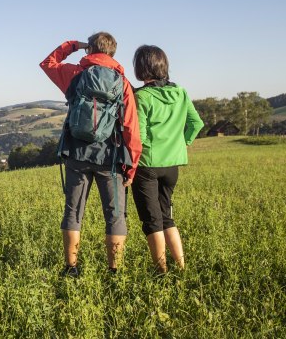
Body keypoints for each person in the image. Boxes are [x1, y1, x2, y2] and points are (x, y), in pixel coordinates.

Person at [40, 33, 142, 277]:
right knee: (115, 215)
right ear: (113, 53)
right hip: (111, 157)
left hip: (76, 153)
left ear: (90, 50)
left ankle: (71, 268)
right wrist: (132, 165)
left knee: (73, 212)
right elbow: (130, 127)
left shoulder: (75, 75)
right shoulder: (122, 82)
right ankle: (114, 271)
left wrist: (74, 46)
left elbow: (48, 63)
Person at [131, 45, 203, 273]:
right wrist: (183, 144)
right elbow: (196, 123)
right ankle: (181, 268)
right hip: (172, 166)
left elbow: (138, 137)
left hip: (147, 166)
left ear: (141, 68)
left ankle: (160, 272)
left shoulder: (141, 96)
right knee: (167, 218)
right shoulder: (180, 92)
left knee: (152, 222)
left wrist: (128, 167)